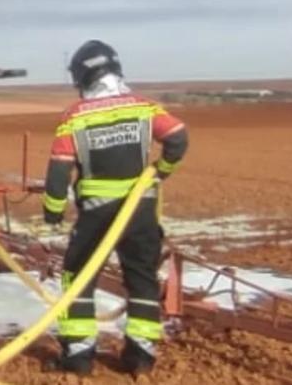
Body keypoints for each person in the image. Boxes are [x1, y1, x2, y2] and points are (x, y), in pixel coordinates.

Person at [43, 40, 189, 375]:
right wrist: (159, 172)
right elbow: (178, 138)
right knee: (142, 278)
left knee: (78, 276)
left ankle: (78, 357)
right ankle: (140, 357)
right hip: (140, 211)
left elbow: (58, 172)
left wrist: (52, 211)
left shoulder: (75, 116)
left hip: (96, 213)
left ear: (83, 76)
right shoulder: (143, 107)